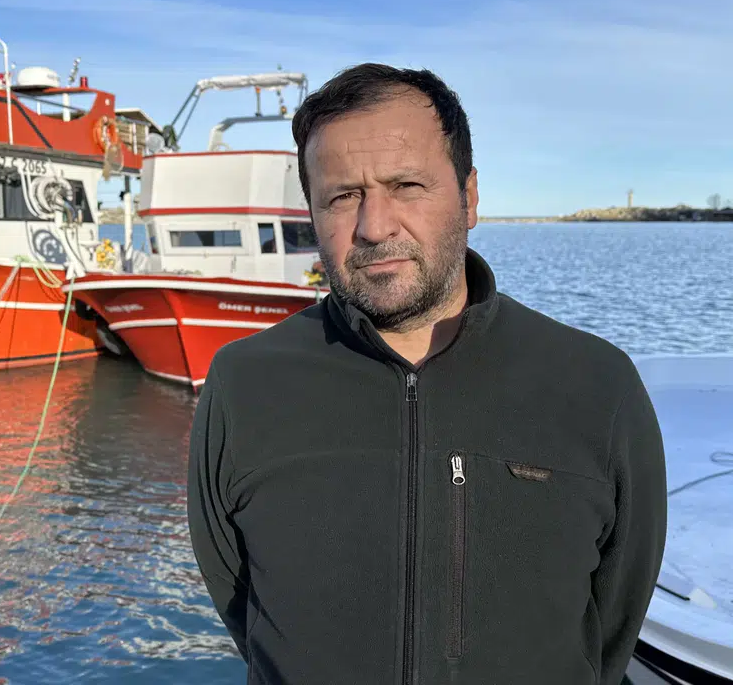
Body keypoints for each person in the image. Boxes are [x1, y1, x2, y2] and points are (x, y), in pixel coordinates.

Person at [187, 62, 667, 684]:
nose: (374, 226)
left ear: (469, 197)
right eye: (342, 196)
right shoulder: (245, 384)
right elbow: (240, 603)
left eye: (407, 185)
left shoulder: (595, 386)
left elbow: (610, 630)